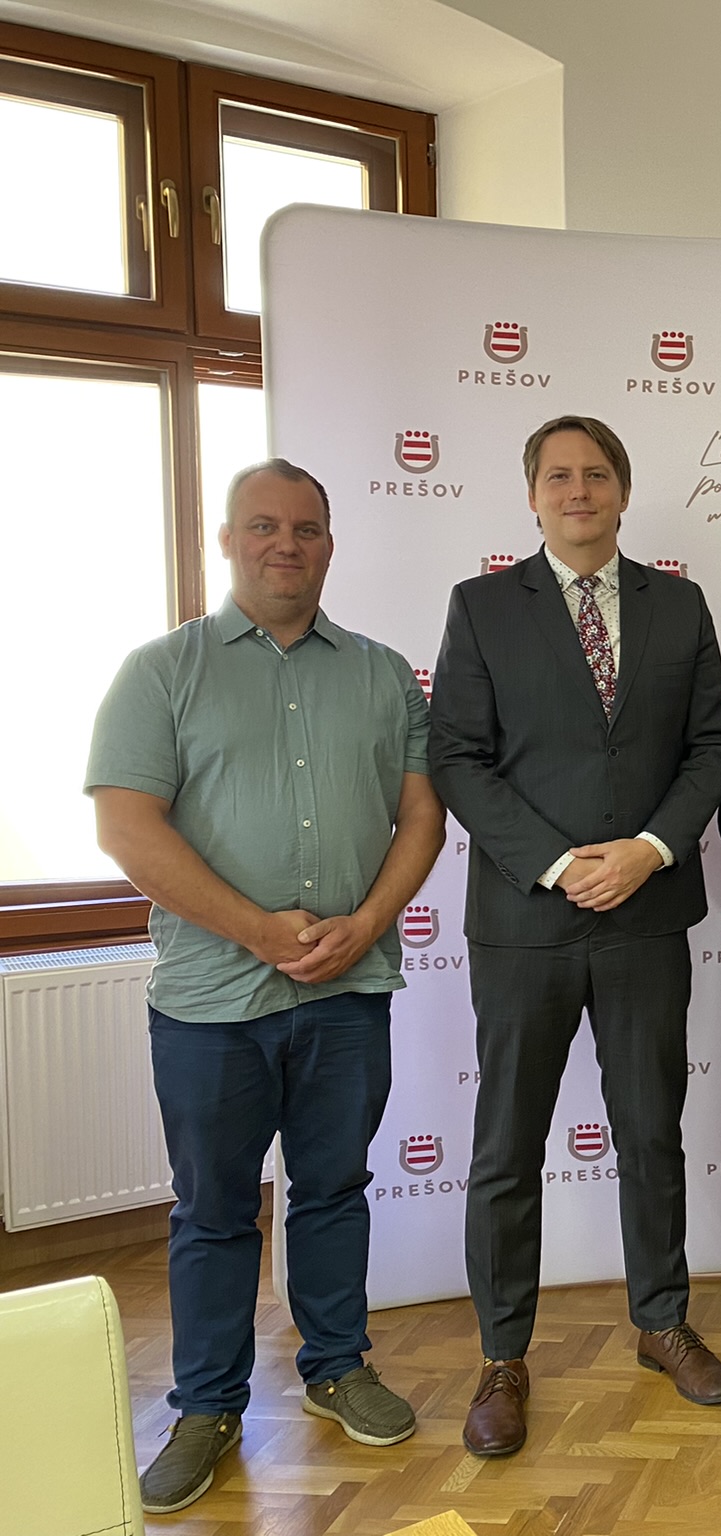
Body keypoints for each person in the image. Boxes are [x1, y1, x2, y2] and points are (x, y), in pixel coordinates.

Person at [86, 460, 444, 1514]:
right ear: (228, 540)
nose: (285, 543)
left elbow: (421, 815)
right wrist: (257, 931)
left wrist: (365, 925)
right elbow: (125, 827)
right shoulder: (161, 671)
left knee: (333, 1190)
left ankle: (337, 1366)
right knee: (213, 1211)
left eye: (306, 528)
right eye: (263, 526)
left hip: (347, 993)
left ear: (330, 543)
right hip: (210, 1005)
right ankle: (207, 1407)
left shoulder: (384, 675)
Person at [429, 415, 721, 1456]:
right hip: (526, 919)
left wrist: (648, 849)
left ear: (623, 490)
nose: (578, 490)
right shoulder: (481, 607)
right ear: (532, 495)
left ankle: (662, 1323)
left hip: (646, 915)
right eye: (558, 476)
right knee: (507, 1146)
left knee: (650, 1132)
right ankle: (501, 1357)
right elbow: (457, 757)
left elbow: (712, 745)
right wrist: (562, 863)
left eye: (596, 474)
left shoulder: (678, 605)